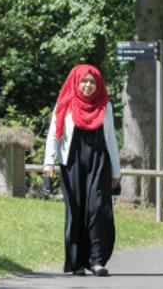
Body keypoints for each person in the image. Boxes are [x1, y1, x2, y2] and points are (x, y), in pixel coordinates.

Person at [44, 64, 122, 276]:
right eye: (84, 81)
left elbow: (111, 139)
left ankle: (97, 261)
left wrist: (116, 171)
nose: (88, 85)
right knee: (76, 211)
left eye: (92, 82)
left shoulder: (105, 106)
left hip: (99, 162)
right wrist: (48, 162)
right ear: (76, 82)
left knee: (98, 210)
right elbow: (54, 132)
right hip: (72, 163)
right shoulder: (65, 104)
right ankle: (77, 263)